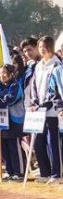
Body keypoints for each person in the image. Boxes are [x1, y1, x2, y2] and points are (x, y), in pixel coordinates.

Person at [31, 35, 63, 183]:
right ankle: (45, 172)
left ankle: (57, 174)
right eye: (40, 47)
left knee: (53, 142)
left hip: (52, 111)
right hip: (38, 111)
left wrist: (47, 104)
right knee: (38, 142)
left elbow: (55, 89)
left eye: (44, 46)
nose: (42, 50)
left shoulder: (57, 65)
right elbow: (34, 86)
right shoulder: (38, 65)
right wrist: (34, 101)